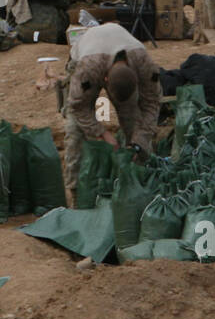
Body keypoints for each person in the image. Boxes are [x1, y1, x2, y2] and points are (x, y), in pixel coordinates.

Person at [62, 21, 161, 205]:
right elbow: (78, 106)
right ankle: (76, 193)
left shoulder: (143, 63)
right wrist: (103, 134)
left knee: (133, 120)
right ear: (105, 80)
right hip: (88, 57)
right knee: (74, 131)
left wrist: (138, 142)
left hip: (121, 52)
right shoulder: (88, 69)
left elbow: (152, 103)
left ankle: (139, 181)